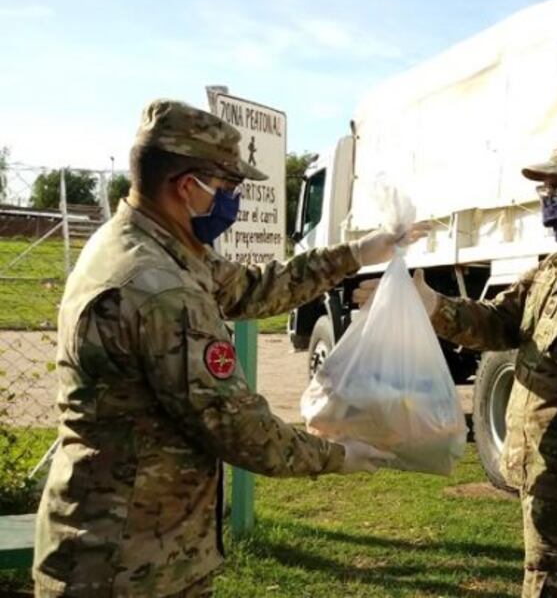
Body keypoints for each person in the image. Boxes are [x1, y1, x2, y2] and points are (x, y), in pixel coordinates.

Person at [33, 99, 424, 597]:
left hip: (138, 547)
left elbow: (249, 287)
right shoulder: (159, 288)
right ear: (186, 186)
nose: (231, 202)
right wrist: (336, 455)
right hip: (126, 565)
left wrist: (355, 254)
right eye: (227, 188)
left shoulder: (149, 245)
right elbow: (238, 427)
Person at [355, 142, 557, 597]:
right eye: (545, 188)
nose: (548, 199)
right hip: (547, 477)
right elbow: (500, 324)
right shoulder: (556, 268)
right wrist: (431, 305)